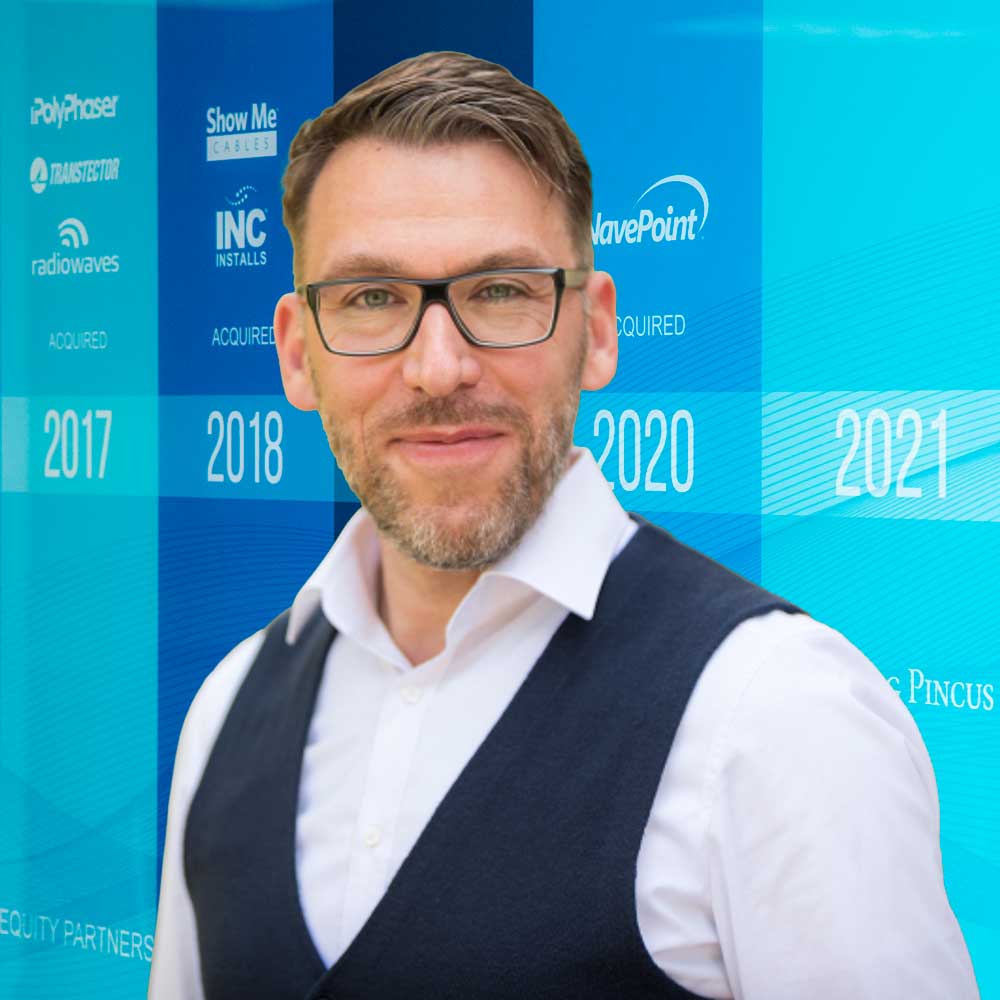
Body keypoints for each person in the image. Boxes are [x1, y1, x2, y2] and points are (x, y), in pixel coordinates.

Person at [149, 51, 978, 1000]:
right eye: (372, 299)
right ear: (298, 355)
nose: (439, 368)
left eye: (500, 290)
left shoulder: (777, 714)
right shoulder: (224, 711)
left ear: (598, 329)